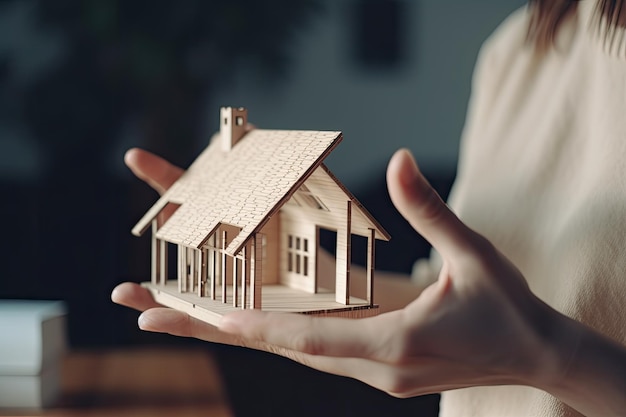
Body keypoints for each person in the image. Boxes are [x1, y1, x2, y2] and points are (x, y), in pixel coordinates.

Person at [112, 0, 626, 415]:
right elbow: (449, 298)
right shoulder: (518, 49)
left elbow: (521, 335)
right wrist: (307, 283)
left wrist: (559, 360)